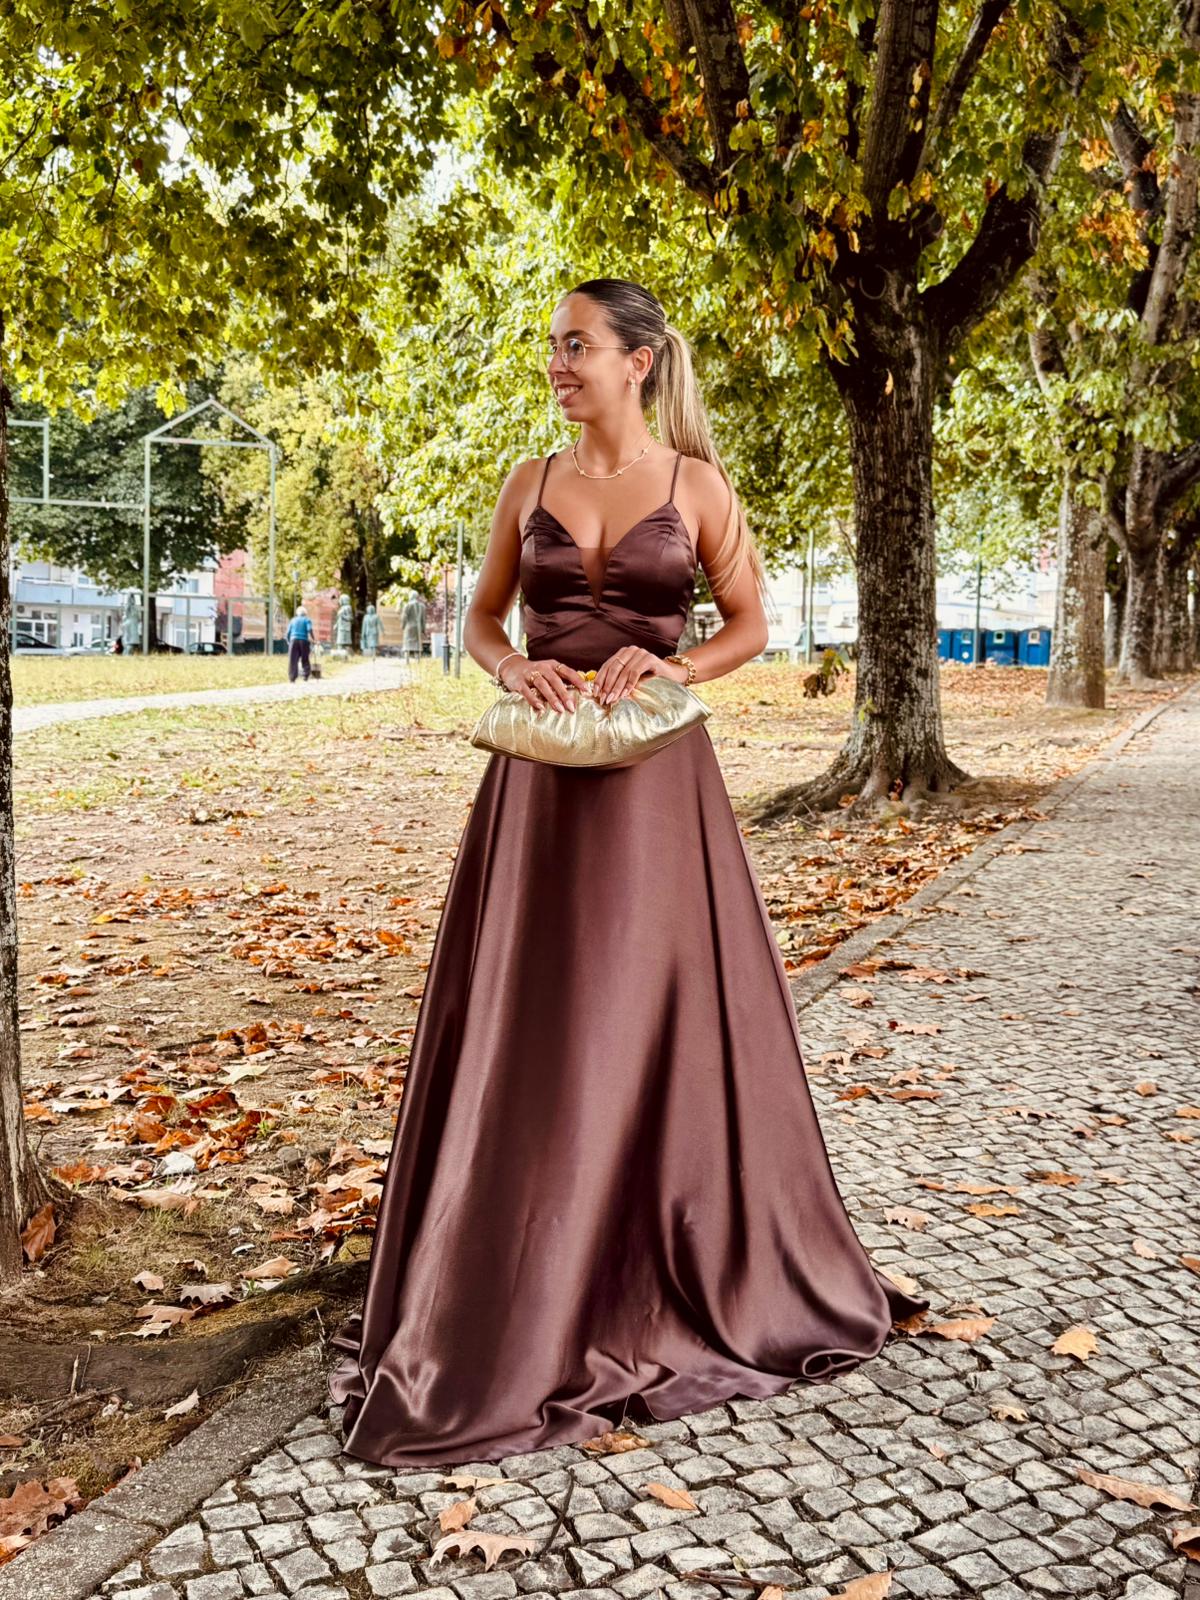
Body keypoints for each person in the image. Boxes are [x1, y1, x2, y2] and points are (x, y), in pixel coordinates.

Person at [328, 278, 929, 1468]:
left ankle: (648, 1262)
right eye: (553, 346)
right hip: (541, 790)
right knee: (542, 1018)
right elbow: (485, 622)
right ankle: (519, 1268)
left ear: (638, 361)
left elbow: (751, 626)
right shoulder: (530, 485)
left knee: (643, 1014)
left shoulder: (698, 486)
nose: (558, 364)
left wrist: (672, 662)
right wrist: (515, 673)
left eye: (577, 346)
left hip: (658, 788)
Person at [286, 605, 313, 681]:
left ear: (297, 613)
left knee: (293, 660)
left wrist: (288, 641)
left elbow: (288, 633)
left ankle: (292, 678)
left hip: (293, 640)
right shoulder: (307, 620)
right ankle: (305, 675)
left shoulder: (292, 620)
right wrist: (313, 639)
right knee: (305, 658)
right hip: (304, 641)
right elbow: (309, 629)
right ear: (305, 613)